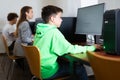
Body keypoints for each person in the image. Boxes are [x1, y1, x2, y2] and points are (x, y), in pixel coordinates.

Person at [33, 5, 101, 80]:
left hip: (40, 69)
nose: (61, 20)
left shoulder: (40, 31)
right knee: (78, 67)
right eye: (59, 17)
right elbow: (71, 49)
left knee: (66, 62)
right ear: (52, 19)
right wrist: (92, 47)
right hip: (48, 72)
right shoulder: (53, 32)